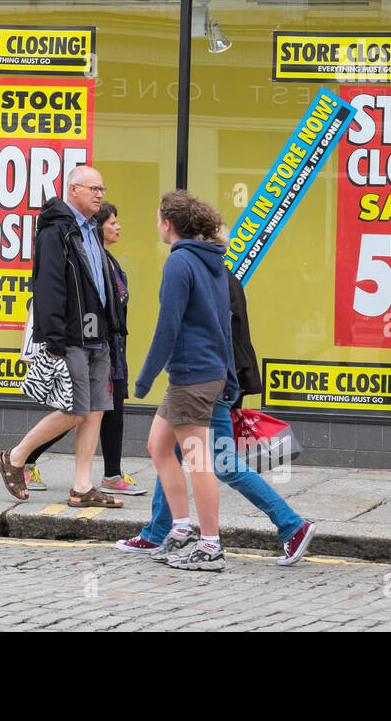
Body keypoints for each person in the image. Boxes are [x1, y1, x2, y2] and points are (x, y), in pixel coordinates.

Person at [118, 226, 317, 566]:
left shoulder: (209, 275)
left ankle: (279, 528)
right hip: (215, 382)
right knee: (172, 450)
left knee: (211, 462)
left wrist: (227, 384)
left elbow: (226, 333)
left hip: (208, 383)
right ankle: (162, 533)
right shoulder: (216, 272)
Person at [0, 166, 126, 509]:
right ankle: (15, 456)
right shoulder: (56, 232)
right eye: (93, 188)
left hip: (98, 334)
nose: (99, 194)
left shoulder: (92, 231)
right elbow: (48, 287)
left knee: (96, 410)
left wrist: (111, 328)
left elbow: (99, 284)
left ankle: (82, 487)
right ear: (73, 190)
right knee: (75, 410)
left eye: (102, 188)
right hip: (71, 335)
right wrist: (54, 340)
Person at [130, 191, 237, 571]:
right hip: (201, 373)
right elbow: (224, 322)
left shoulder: (179, 264)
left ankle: (211, 546)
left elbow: (168, 326)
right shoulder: (213, 262)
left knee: (198, 461)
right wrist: (229, 374)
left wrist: (143, 379)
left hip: (192, 375)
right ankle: (181, 529)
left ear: (168, 224)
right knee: (158, 446)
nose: (157, 223)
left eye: (158, 217)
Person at [21, 202, 144, 496]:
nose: (117, 227)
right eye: (112, 222)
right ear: (96, 227)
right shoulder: (76, 251)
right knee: (78, 410)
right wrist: (54, 343)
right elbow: (50, 293)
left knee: (105, 410)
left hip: (109, 345)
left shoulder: (108, 260)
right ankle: (22, 458)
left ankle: (106, 476)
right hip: (87, 343)